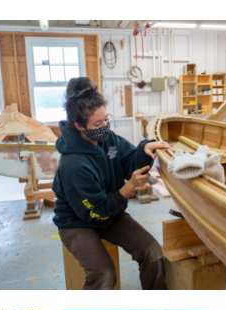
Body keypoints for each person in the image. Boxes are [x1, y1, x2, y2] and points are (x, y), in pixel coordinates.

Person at [52, 76, 171, 290]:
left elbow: (129, 161)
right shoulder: (73, 165)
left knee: (153, 252)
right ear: (79, 125)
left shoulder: (108, 139)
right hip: (78, 222)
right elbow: (95, 213)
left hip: (111, 212)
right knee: (104, 274)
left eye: (106, 119)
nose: (105, 127)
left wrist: (144, 150)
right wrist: (127, 190)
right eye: (98, 124)